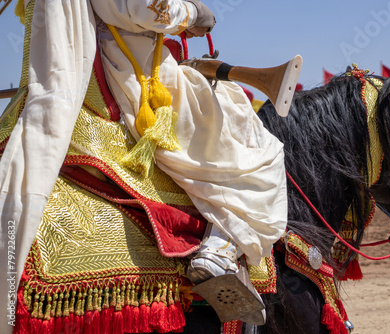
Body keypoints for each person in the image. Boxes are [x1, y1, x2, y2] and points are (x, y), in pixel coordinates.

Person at [0, 0, 288, 329]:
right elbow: (140, 7)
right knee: (255, 140)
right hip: (136, 80)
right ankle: (221, 246)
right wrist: (193, 13)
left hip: (127, 66)